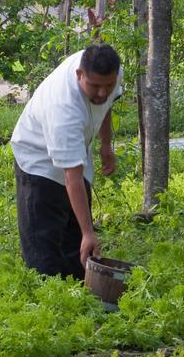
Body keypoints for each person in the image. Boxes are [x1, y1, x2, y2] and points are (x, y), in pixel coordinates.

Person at [10, 43, 123, 278]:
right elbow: (72, 177)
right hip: (38, 161)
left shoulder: (109, 73)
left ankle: (78, 291)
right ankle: (46, 299)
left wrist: (105, 145)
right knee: (44, 250)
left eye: (108, 86)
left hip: (75, 151)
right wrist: (89, 232)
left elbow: (107, 104)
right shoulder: (64, 108)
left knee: (76, 245)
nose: (102, 92)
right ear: (79, 75)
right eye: (95, 87)